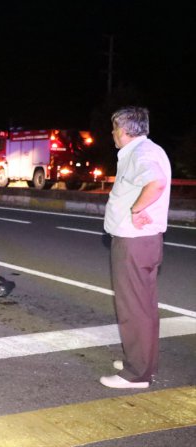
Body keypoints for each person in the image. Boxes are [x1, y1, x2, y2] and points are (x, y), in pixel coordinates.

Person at [100, 106, 171, 389]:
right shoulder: (145, 151)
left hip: (134, 242)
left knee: (133, 307)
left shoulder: (141, 154)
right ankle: (141, 361)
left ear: (127, 130)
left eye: (115, 128)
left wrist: (137, 208)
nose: (113, 134)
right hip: (140, 242)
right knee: (143, 305)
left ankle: (136, 374)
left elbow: (157, 183)